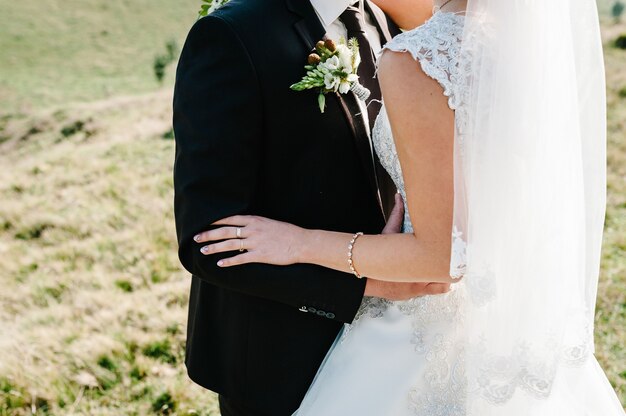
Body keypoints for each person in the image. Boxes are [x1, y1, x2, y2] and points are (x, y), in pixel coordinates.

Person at [195, 0, 626, 414]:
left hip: (416, 328)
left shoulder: (413, 48)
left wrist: (300, 243)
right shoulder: (519, 48)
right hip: (498, 325)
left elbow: (443, 252)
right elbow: (207, 232)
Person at [172, 0, 442, 415]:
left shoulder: (383, 16)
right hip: (280, 353)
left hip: (392, 345)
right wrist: (369, 284)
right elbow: (208, 240)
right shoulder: (232, 35)